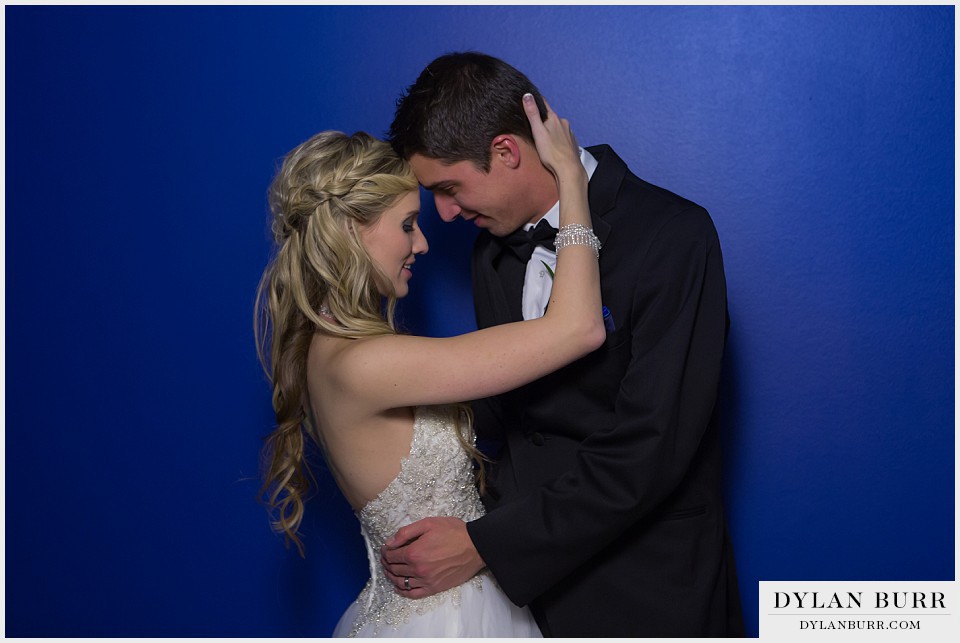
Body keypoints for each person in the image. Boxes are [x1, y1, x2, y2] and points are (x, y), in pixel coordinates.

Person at [382, 52, 744, 637]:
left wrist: (488, 545)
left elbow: (649, 450)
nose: (444, 214)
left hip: (647, 586)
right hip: (524, 599)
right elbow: (508, 417)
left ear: (506, 151)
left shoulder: (675, 236)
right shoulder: (492, 249)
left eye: (449, 188)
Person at [255, 96, 603, 637]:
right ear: (351, 230)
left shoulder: (328, 349)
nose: (421, 243)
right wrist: (573, 182)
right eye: (408, 224)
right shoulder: (365, 364)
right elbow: (578, 328)